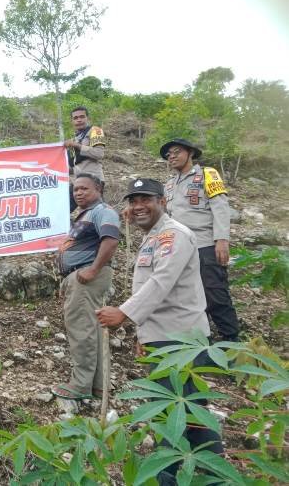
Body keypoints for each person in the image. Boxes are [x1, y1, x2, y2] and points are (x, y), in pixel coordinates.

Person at [97, 178, 224, 485]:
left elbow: (161, 282)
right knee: (190, 410)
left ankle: (166, 476)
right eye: (133, 201)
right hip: (163, 336)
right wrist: (145, 335)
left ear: (163, 201)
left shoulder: (174, 235)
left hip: (181, 338)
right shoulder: (153, 236)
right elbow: (151, 287)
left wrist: (124, 313)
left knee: (174, 412)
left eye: (146, 200)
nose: (138, 207)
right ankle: (215, 474)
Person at [161, 138, 240, 342]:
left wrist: (221, 240)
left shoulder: (207, 174)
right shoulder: (169, 185)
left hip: (204, 245)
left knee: (215, 295)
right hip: (179, 249)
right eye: (168, 155)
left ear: (190, 153)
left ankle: (232, 344)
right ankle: (200, 344)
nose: (172, 157)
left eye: (176, 152)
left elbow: (220, 207)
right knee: (188, 296)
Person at [52, 174, 120, 400]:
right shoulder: (85, 215)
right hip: (81, 277)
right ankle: (99, 385)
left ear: (98, 189)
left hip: (87, 276)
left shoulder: (103, 211)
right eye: (76, 190)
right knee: (92, 330)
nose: (78, 193)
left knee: (81, 330)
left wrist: (92, 270)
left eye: (84, 189)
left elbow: (110, 240)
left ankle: (80, 385)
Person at [64, 106, 106, 213]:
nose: (79, 120)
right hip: (77, 181)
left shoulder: (95, 131)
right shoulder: (74, 138)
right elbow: (73, 165)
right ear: (72, 121)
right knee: (62, 210)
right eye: (75, 118)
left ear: (87, 118)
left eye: (82, 117)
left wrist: (77, 146)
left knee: (96, 212)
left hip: (93, 180)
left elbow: (99, 153)